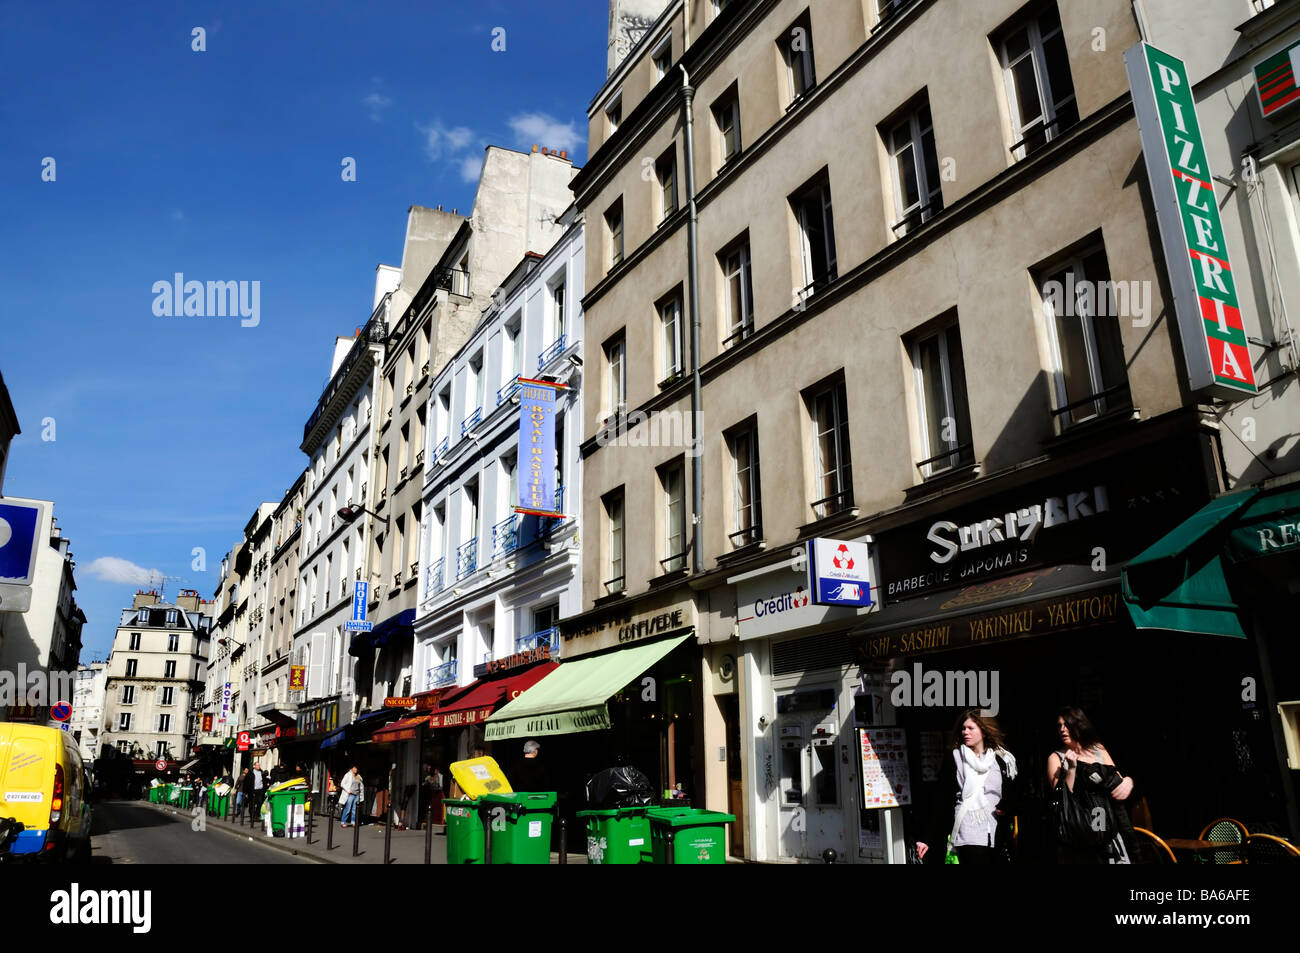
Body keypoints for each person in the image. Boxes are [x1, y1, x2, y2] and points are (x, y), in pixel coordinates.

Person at [916, 710, 1018, 864]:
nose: (965, 732)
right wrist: (927, 838)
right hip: (968, 831)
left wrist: (1007, 806)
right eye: (963, 728)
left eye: (971, 728)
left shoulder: (1000, 758)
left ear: (984, 731)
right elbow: (941, 799)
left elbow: (1013, 792)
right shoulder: (955, 757)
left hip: (997, 831)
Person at [1047, 706, 1136, 864]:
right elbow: (1063, 800)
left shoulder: (1098, 749)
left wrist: (1129, 781)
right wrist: (1072, 768)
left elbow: (1118, 778)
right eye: (1059, 725)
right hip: (1081, 832)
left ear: (1079, 724)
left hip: (1107, 824)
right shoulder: (1056, 758)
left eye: (1067, 724)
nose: (1062, 729)